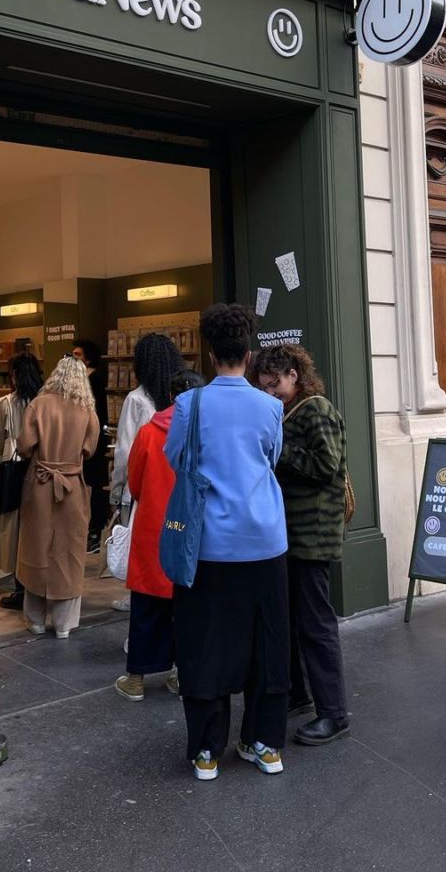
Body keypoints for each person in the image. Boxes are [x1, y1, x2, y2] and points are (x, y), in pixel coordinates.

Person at [165, 303, 289, 781]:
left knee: (204, 644)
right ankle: (265, 743)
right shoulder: (271, 406)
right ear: (249, 353)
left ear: (210, 353)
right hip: (264, 540)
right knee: (268, 644)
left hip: (207, 543)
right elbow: (271, 458)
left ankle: (206, 750)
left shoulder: (189, 405)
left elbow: (177, 458)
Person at [252, 344, 350, 744]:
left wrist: (279, 449)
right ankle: (298, 694)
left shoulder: (316, 409)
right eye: (265, 386)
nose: (271, 391)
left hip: (312, 534)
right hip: (292, 532)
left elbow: (328, 466)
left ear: (295, 373)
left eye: (276, 384)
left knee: (315, 623)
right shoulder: (288, 409)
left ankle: (334, 713)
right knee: (291, 620)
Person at [115, 367, 205, 703]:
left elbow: (134, 483)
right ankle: (182, 675)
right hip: (194, 531)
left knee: (145, 607)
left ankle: (136, 678)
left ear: (169, 396)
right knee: (189, 609)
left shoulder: (149, 432)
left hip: (154, 527)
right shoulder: (206, 432)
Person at [16, 356, 101, 639]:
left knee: (35, 548)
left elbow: (25, 446)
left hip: (40, 483)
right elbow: (89, 449)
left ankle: (36, 620)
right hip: (72, 486)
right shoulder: (87, 410)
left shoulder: (38, 405)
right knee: (69, 551)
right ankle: (64, 624)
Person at [110, 333, 185, 610]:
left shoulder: (136, 399)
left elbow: (125, 451)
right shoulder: (183, 399)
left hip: (144, 486)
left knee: (142, 546)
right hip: (176, 484)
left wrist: (117, 492)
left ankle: (137, 596)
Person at [0, 352, 43, 611]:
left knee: (13, 531)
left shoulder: (4, 404)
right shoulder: (46, 403)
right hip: (42, 472)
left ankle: (20, 589)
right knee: (38, 531)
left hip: (14, 472)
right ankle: (37, 588)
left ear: (14, 376)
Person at [73, 340, 110, 551]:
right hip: (84, 440)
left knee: (94, 485)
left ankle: (95, 530)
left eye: (78, 354)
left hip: (93, 441)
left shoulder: (94, 379)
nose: (74, 358)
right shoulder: (82, 379)